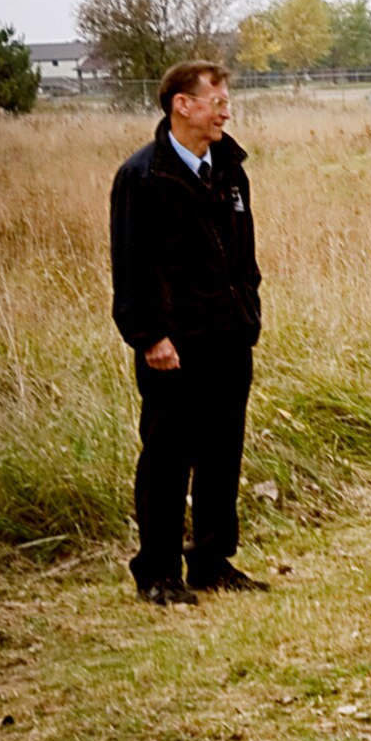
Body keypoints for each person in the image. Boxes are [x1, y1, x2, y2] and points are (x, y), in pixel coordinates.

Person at [110, 61, 263, 605]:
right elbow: (131, 268)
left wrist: (249, 310)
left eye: (227, 100)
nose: (226, 110)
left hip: (228, 335)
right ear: (182, 104)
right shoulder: (143, 177)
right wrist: (150, 335)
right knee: (168, 457)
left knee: (222, 453)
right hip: (173, 347)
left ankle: (212, 561)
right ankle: (157, 572)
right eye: (216, 100)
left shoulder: (229, 169)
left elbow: (244, 254)